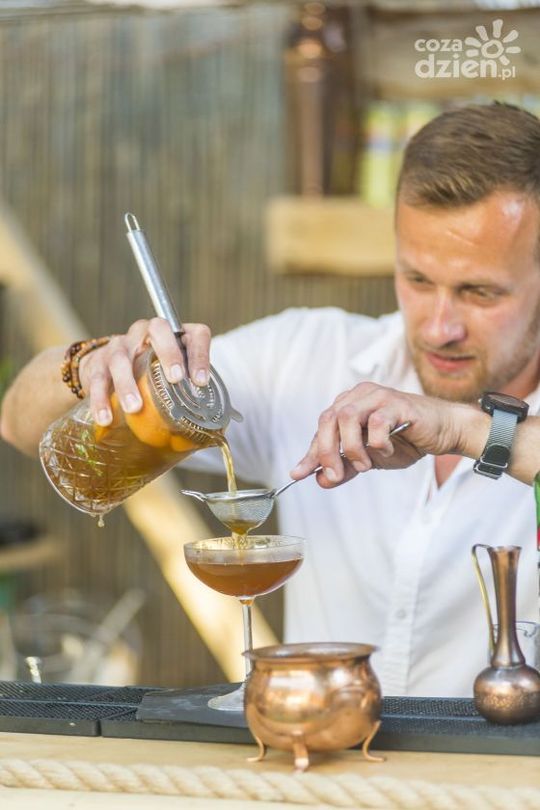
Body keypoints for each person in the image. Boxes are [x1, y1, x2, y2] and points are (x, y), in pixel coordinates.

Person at [2, 103, 540, 697]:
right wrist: (89, 367)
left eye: (480, 292)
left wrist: (467, 431)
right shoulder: (305, 354)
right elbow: (18, 423)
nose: (440, 327)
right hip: (314, 748)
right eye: (417, 280)